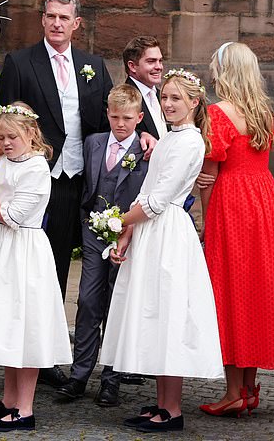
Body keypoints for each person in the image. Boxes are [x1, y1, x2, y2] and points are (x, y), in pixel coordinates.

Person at [0, 0, 119, 388]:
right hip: (35, 180)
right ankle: (26, 353)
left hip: (75, 183)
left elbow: (109, 121)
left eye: (64, 18)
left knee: (60, 270)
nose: (56, 24)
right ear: (42, 18)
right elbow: (4, 120)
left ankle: (49, 353)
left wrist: (147, 137)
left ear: (76, 24)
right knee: (31, 271)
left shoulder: (93, 66)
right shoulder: (20, 62)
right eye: (50, 16)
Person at [100, 69, 224, 434]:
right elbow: (146, 191)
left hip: (168, 232)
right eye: (164, 97)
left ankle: (172, 409)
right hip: (149, 232)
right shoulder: (168, 138)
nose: (168, 104)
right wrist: (127, 233)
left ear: (194, 103)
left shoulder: (191, 142)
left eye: (175, 99)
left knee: (168, 315)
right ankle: (159, 402)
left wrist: (118, 220)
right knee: (152, 315)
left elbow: (158, 200)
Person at [198, 42, 274, 417]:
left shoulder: (217, 114)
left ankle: (232, 392)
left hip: (232, 203)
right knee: (256, 289)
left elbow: (209, 177)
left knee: (229, 290)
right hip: (263, 200)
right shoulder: (263, 112)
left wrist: (206, 222)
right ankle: (248, 387)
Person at [0, 102, 73, 432]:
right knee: (8, 323)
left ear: (31, 133)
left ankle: (24, 409)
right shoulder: (5, 162)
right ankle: (9, 401)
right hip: (1, 246)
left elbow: (14, 215)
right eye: (1, 137)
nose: (6, 143)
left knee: (24, 325)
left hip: (24, 249)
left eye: (12, 136)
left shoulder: (37, 168)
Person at [57, 84, 149, 407]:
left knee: (117, 304)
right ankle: (79, 374)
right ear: (107, 115)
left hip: (127, 236)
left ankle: (111, 379)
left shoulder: (145, 150)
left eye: (127, 118)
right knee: (87, 300)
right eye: (114, 117)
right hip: (93, 233)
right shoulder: (93, 143)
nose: (120, 124)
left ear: (139, 118)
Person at [122, 36, 166, 139]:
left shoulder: (161, 96)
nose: (159, 67)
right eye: (151, 61)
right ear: (132, 66)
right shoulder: (122, 97)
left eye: (160, 61)